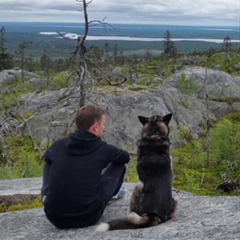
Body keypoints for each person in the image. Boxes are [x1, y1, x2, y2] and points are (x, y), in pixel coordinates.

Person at [41, 104, 130, 229]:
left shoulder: (58, 146)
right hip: (88, 216)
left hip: (54, 217)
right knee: (119, 165)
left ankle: (46, 196)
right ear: (95, 127)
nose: (104, 128)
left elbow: (48, 159)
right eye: (103, 124)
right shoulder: (103, 149)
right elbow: (125, 157)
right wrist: (103, 161)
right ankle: (112, 195)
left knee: (49, 160)